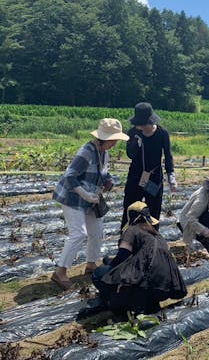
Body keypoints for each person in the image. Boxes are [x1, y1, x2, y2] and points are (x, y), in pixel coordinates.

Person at [51, 119, 129, 290]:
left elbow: (103, 172)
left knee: (97, 232)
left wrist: (109, 180)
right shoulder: (86, 152)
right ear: (103, 139)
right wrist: (85, 194)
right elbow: (69, 176)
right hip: (73, 198)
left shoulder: (104, 153)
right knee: (79, 234)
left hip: (91, 199)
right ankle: (60, 272)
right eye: (114, 140)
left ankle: (91, 264)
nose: (115, 143)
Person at [92, 201, 187, 316]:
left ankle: (117, 303)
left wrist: (110, 266)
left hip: (145, 286)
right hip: (167, 287)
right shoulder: (156, 234)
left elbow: (123, 256)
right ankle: (147, 302)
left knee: (99, 274)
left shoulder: (132, 230)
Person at [121, 102, 177, 232]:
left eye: (143, 124)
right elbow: (130, 154)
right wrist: (136, 142)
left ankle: (152, 243)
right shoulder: (133, 132)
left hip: (154, 178)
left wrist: (171, 177)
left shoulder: (162, 133)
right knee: (130, 209)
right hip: (136, 177)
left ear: (150, 122)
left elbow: (168, 156)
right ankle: (125, 241)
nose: (141, 127)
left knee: (153, 212)